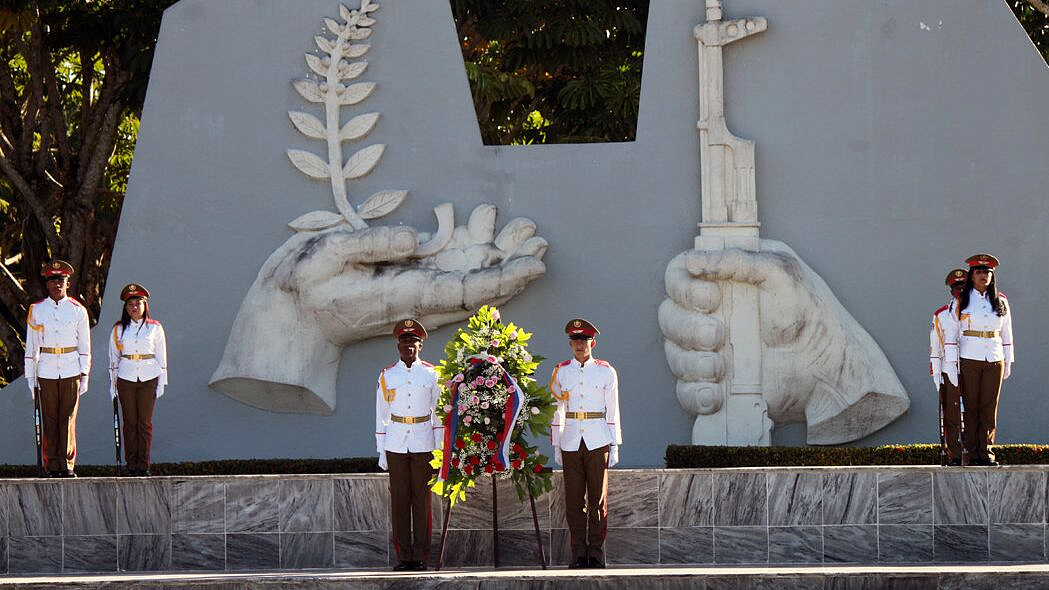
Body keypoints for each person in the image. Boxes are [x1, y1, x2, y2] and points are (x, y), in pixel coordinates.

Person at [549, 318, 622, 569]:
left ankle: (596, 554)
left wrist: (615, 444)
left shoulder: (605, 370)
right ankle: (578, 554)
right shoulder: (561, 371)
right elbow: (556, 410)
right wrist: (556, 443)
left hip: (597, 437)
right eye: (575, 340)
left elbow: (613, 410)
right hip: (570, 438)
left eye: (584, 340)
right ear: (570, 343)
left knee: (597, 502)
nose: (580, 345)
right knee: (574, 502)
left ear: (593, 342)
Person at [375, 319, 442, 571]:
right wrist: (381, 448)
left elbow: (438, 413)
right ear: (398, 346)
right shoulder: (388, 375)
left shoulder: (432, 374)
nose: (408, 346)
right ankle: (404, 556)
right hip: (396, 440)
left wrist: (440, 445)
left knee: (422, 501)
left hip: (424, 439)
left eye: (413, 342)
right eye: (404, 342)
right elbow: (381, 413)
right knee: (400, 501)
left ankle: (421, 556)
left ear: (420, 345)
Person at [943, 253, 1014, 466]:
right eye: (979, 272)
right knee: (971, 407)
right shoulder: (961, 300)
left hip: (994, 357)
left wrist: (1008, 360)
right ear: (972, 276)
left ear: (992, 276)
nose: (984, 275)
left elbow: (1007, 333)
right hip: (969, 357)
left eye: (987, 272)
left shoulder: (1000, 300)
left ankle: (987, 452)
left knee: (989, 408)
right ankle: (971, 453)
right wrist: (951, 362)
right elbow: (952, 333)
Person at [24, 260, 91, 477]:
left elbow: (84, 346)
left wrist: (85, 374)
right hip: (46, 369)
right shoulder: (37, 310)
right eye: (52, 280)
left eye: (60, 280)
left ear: (67, 283)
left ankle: (67, 464)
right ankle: (51, 464)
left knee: (68, 418)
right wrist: (30, 377)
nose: (56, 285)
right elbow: (32, 347)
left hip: (71, 368)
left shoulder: (77, 310)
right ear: (47, 284)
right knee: (50, 419)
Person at [108, 283, 168, 476]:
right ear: (126, 308)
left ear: (145, 306)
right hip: (125, 377)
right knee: (130, 423)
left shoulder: (154, 328)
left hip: (149, 377)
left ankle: (143, 464)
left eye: (138, 303)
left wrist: (162, 381)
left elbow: (161, 356)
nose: (134, 307)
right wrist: (113, 384)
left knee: (144, 423)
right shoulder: (118, 329)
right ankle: (131, 463)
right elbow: (113, 359)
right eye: (131, 304)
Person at [930, 268, 967, 466]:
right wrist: (936, 374)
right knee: (951, 415)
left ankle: (973, 453)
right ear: (951, 290)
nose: (959, 290)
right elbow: (935, 348)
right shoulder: (941, 315)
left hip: (971, 367)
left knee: (972, 414)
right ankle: (954, 454)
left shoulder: (977, 313)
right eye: (956, 287)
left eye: (963, 286)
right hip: (949, 370)